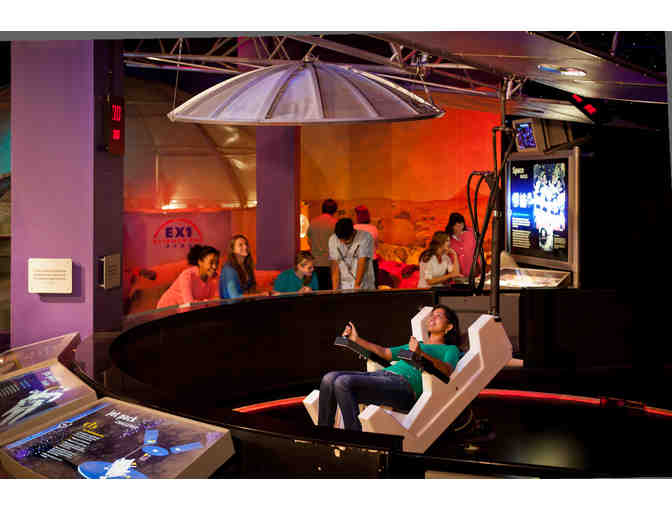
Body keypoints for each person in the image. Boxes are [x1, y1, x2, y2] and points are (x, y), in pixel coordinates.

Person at [318, 305, 461, 431]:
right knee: (328, 378)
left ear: (449, 327)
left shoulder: (450, 349)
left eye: (438, 316)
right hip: (383, 376)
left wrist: (421, 354)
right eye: (432, 315)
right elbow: (385, 352)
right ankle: (324, 436)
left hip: (404, 386)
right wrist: (357, 340)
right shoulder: (417, 344)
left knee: (343, 382)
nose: (432, 318)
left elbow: (446, 370)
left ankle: (355, 440)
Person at [329, 218, 375, 290]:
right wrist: (335, 290)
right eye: (341, 240)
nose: (344, 242)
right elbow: (335, 266)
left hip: (363, 283)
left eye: (347, 240)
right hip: (344, 284)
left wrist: (356, 286)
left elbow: (362, 261)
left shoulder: (365, 237)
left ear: (353, 232)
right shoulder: (333, 239)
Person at [306, 199, 338, 291]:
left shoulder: (313, 222)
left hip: (315, 263)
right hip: (330, 264)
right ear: (334, 210)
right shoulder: (335, 223)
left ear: (322, 209)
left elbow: (309, 240)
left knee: (316, 291)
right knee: (328, 292)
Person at [219, 234, 257, 299]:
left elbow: (252, 290)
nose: (245, 247)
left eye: (246, 244)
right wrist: (260, 295)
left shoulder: (247, 267)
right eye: (240, 245)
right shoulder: (228, 269)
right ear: (232, 249)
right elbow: (234, 297)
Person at [444, 212, 479, 279]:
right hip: (455, 276)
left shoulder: (471, 233)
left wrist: (482, 267)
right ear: (452, 226)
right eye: (457, 226)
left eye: (461, 226)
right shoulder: (447, 238)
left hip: (472, 274)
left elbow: (477, 251)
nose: (459, 229)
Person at [353, 204, 379, 287]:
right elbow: (376, 246)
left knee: (357, 287)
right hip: (372, 261)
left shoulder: (354, 228)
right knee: (372, 287)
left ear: (357, 216)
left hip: (358, 262)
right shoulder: (374, 228)